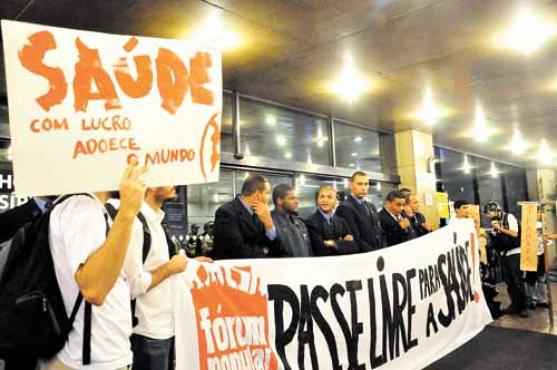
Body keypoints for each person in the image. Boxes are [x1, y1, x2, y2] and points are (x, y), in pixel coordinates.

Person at [44, 159, 147, 370]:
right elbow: (94, 290)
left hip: (92, 355)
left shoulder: (86, 208)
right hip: (92, 361)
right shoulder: (83, 208)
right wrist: (127, 211)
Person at [114, 186, 212, 370]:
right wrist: (170, 267)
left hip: (165, 326)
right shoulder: (136, 223)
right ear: (149, 185)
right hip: (147, 330)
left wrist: (188, 263)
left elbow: (159, 265)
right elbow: (132, 285)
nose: (174, 183)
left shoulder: (155, 221)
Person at [211, 174, 282, 259]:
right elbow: (236, 251)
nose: (269, 198)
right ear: (257, 194)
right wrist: (265, 251)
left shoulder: (261, 214)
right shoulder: (226, 212)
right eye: (267, 193)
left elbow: (277, 248)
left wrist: (269, 224)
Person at [484, 201, 528, 318]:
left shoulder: (509, 217)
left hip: (515, 252)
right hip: (504, 254)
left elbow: (514, 233)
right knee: (509, 281)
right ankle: (515, 305)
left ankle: (524, 307)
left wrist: (499, 229)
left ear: (496, 210)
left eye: (489, 213)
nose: (489, 216)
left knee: (517, 280)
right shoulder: (495, 223)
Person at [335, 171, 384, 252]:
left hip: (378, 253)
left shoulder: (371, 206)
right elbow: (355, 238)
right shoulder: (344, 208)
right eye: (360, 184)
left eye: (366, 184)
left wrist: (381, 249)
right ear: (351, 185)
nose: (363, 187)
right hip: (363, 255)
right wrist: (372, 252)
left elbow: (379, 231)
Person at [304, 185, 359, 256]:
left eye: (329, 197)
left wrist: (333, 243)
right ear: (317, 200)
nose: (325, 200)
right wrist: (342, 242)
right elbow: (320, 250)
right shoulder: (311, 222)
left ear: (336, 201)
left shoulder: (341, 221)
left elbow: (354, 247)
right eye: (322, 197)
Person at [271, 184, 312, 257]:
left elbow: (309, 250)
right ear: (279, 201)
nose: (297, 201)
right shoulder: (270, 222)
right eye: (292, 198)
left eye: (297, 198)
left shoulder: (300, 223)